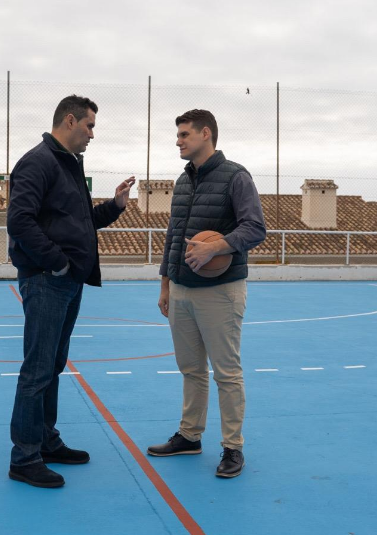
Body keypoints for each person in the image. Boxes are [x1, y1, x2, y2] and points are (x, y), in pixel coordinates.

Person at [6, 95, 135, 488]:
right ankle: (24, 457)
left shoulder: (69, 165)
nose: (92, 134)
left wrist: (114, 206)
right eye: (89, 126)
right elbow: (19, 221)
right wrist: (56, 261)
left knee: (53, 366)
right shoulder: (39, 161)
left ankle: (45, 440)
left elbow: (79, 222)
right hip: (48, 280)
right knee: (37, 370)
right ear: (69, 120)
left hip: (67, 281)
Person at [147, 109, 266, 478]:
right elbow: (172, 235)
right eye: (178, 135)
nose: (178, 140)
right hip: (182, 289)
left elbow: (256, 228)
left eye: (184, 134)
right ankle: (189, 435)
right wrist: (166, 283)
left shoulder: (236, 176)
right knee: (191, 370)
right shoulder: (183, 182)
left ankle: (233, 447)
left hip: (220, 291)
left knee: (226, 373)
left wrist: (217, 248)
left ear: (206, 134)